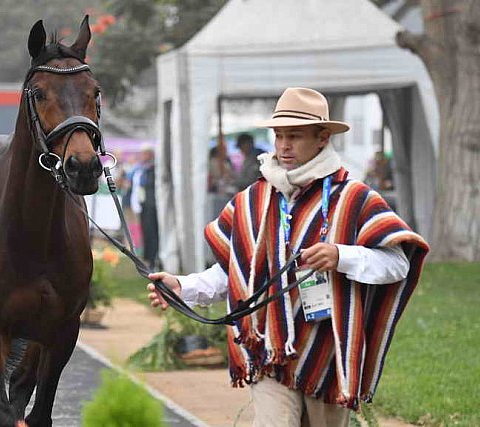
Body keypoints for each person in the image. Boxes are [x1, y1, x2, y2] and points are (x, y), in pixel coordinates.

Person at [146, 88, 429, 426]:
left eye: (294, 136)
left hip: (328, 357)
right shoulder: (251, 201)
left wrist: (342, 256)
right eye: (279, 135)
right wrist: (182, 286)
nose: (283, 146)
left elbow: (398, 263)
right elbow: (234, 273)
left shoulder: (352, 198)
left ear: (322, 138)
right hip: (269, 353)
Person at [131, 145, 159, 269]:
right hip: (143, 205)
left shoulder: (153, 169)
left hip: (151, 205)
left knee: (152, 232)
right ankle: (148, 258)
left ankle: (152, 259)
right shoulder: (142, 169)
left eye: (144, 154)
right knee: (146, 232)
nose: (142, 157)